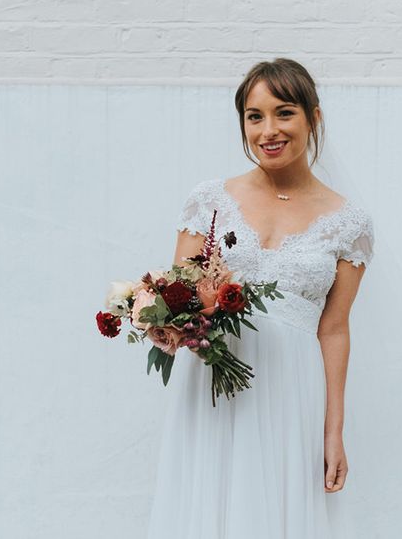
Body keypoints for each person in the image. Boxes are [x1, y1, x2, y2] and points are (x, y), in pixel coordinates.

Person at [146, 58, 375, 539]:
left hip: (292, 393)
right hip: (214, 386)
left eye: (284, 113)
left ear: (313, 117)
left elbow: (333, 330)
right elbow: (180, 295)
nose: (268, 130)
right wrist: (165, 317)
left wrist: (334, 431)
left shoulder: (348, 222)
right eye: (255, 116)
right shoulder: (210, 201)